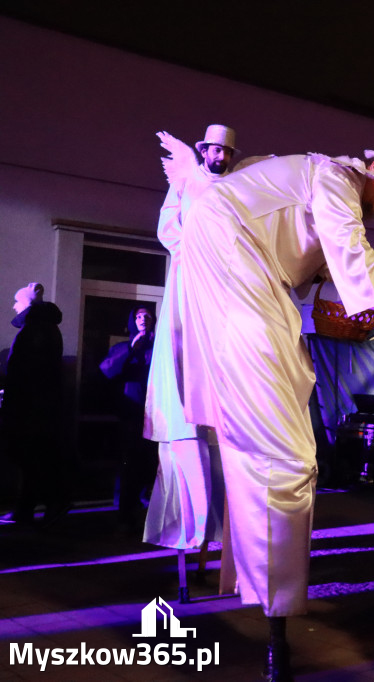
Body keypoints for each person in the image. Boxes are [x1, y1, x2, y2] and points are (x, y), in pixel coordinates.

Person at [177, 137, 374, 681]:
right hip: (232, 257)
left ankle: (263, 574)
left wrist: (331, 287)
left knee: (289, 399)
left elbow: (318, 256)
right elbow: (347, 240)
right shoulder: (335, 179)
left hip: (241, 264)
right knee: (287, 453)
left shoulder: (315, 183)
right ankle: (273, 594)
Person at [143, 125, 237, 553]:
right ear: (203, 151)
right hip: (191, 277)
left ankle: (220, 528)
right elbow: (168, 227)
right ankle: (193, 524)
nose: (219, 155)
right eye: (214, 148)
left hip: (220, 284)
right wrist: (191, 249)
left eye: (225, 150)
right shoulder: (187, 182)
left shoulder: (235, 188)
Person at [3, 282, 65, 527]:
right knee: (35, 459)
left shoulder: (36, 330)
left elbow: (27, 371)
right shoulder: (45, 328)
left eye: (18, 301)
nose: (14, 305)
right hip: (37, 407)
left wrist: (16, 395)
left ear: (27, 304)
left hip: (31, 409)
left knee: (31, 458)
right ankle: (37, 507)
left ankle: (38, 507)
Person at [100, 306, 157, 532]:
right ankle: (125, 513)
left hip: (154, 415)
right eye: (139, 316)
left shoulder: (159, 349)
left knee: (149, 463)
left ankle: (143, 511)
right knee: (129, 463)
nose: (143, 319)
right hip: (130, 414)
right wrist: (131, 350)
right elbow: (106, 372)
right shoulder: (123, 347)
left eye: (147, 316)